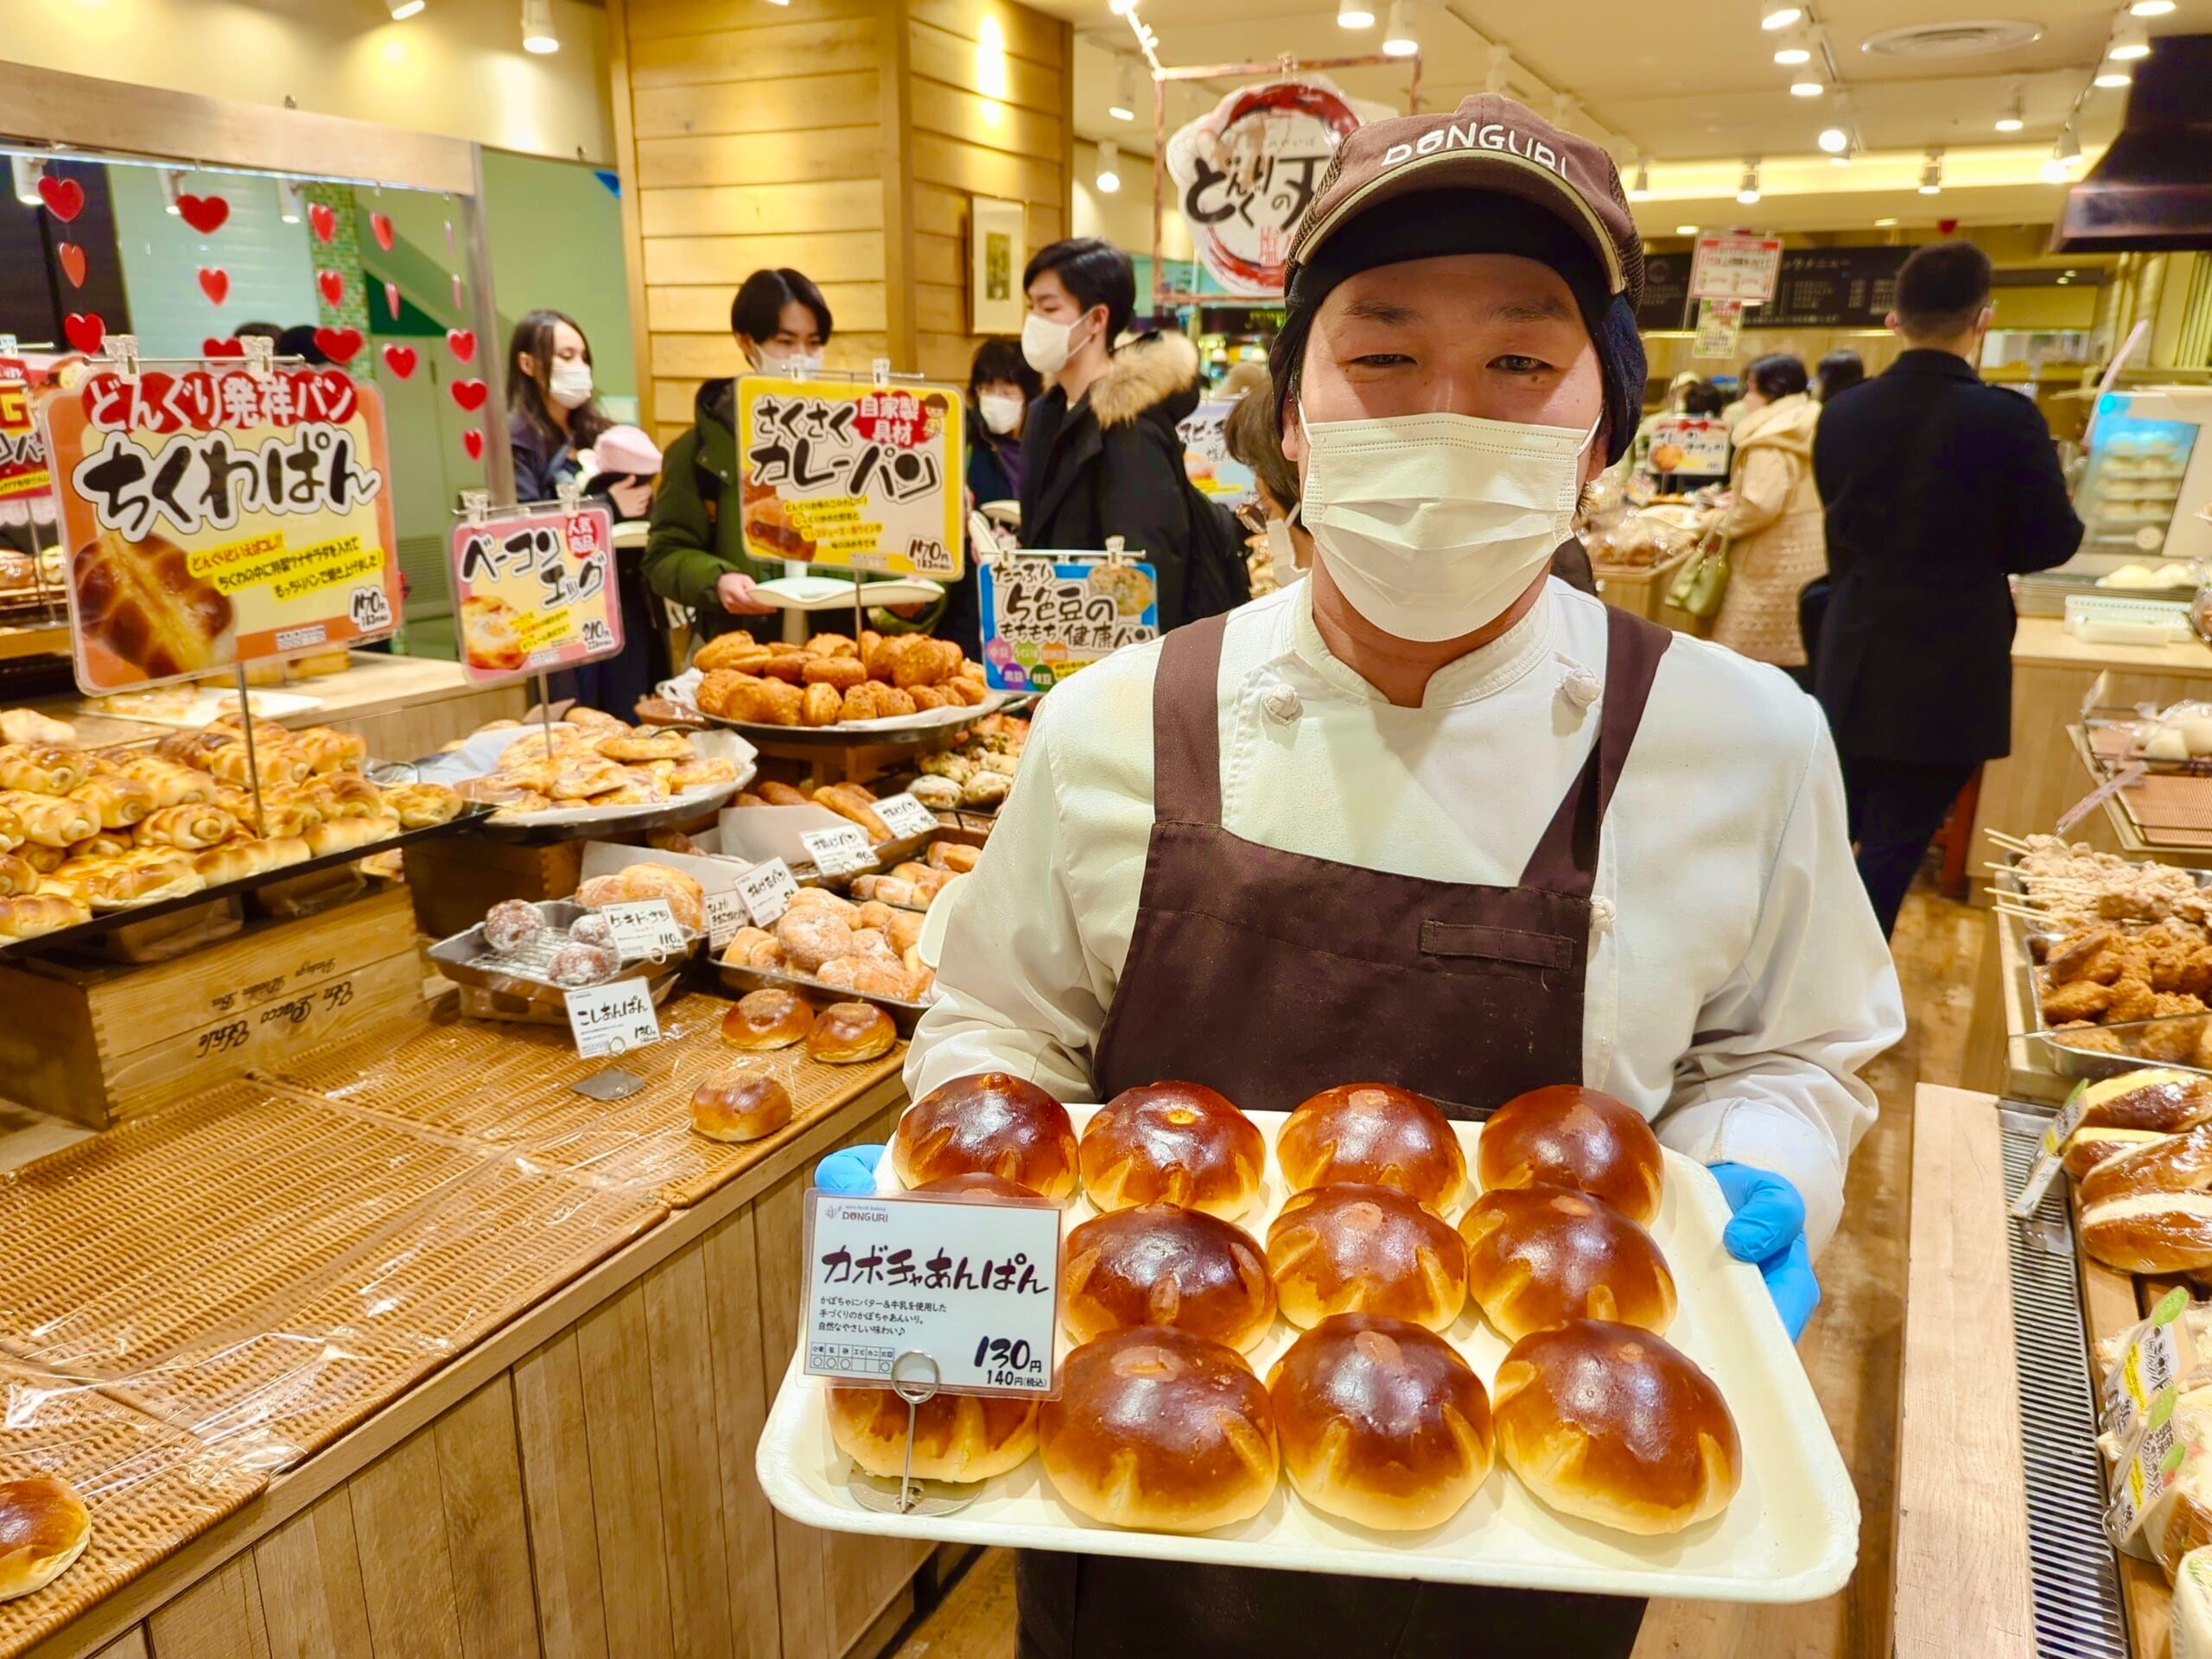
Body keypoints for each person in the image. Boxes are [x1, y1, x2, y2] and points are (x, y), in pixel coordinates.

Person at [870, 94, 1901, 1659]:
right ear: (1293, 414)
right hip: (1131, 1479)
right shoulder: (1111, 726)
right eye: (1383, 353)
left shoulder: (1741, 738)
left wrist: (1756, 1180)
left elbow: (1794, 1046)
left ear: (1601, 427)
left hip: (1541, 1521)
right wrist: (949, 1189)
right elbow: (1000, 1024)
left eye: (1519, 363)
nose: (1450, 411)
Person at [1815, 239, 2085, 935]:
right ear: (1984, 320)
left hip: (1854, 650)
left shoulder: (1844, 411)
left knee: (1820, 835)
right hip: (1950, 667)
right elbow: (2051, 542)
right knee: (1895, 846)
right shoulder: (2010, 418)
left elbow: (1840, 527)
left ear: (1893, 320)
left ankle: (1785, 988)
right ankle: (1837, 1007)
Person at [1016, 237, 1244, 627]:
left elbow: (1151, 576)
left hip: (1107, 660)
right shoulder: (1045, 414)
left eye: (1049, 307)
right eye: (1031, 307)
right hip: (1051, 641)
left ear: (1097, 319)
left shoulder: (1129, 426)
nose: (1034, 321)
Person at [642, 267, 833, 645]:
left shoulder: (852, 444)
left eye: (814, 343)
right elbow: (663, 556)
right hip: (744, 653)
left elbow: (879, 555)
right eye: (785, 341)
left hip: (838, 653)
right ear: (746, 342)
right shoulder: (699, 450)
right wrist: (717, 578)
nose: (802, 357)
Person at [504, 309, 664, 713]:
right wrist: (608, 507)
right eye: (566, 356)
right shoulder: (515, 441)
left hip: (622, 598)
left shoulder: (601, 432)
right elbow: (525, 526)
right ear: (528, 364)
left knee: (631, 716)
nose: (579, 367)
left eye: (583, 356)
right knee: (576, 720)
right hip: (557, 607)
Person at [1710, 353, 1825, 683]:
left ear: (1772, 392)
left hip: (1767, 567)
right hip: (1806, 560)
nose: (1746, 399)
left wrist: (1715, 526)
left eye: (1750, 389)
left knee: (1748, 670)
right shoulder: (1807, 425)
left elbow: (1760, 504)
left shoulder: (1767, 440)